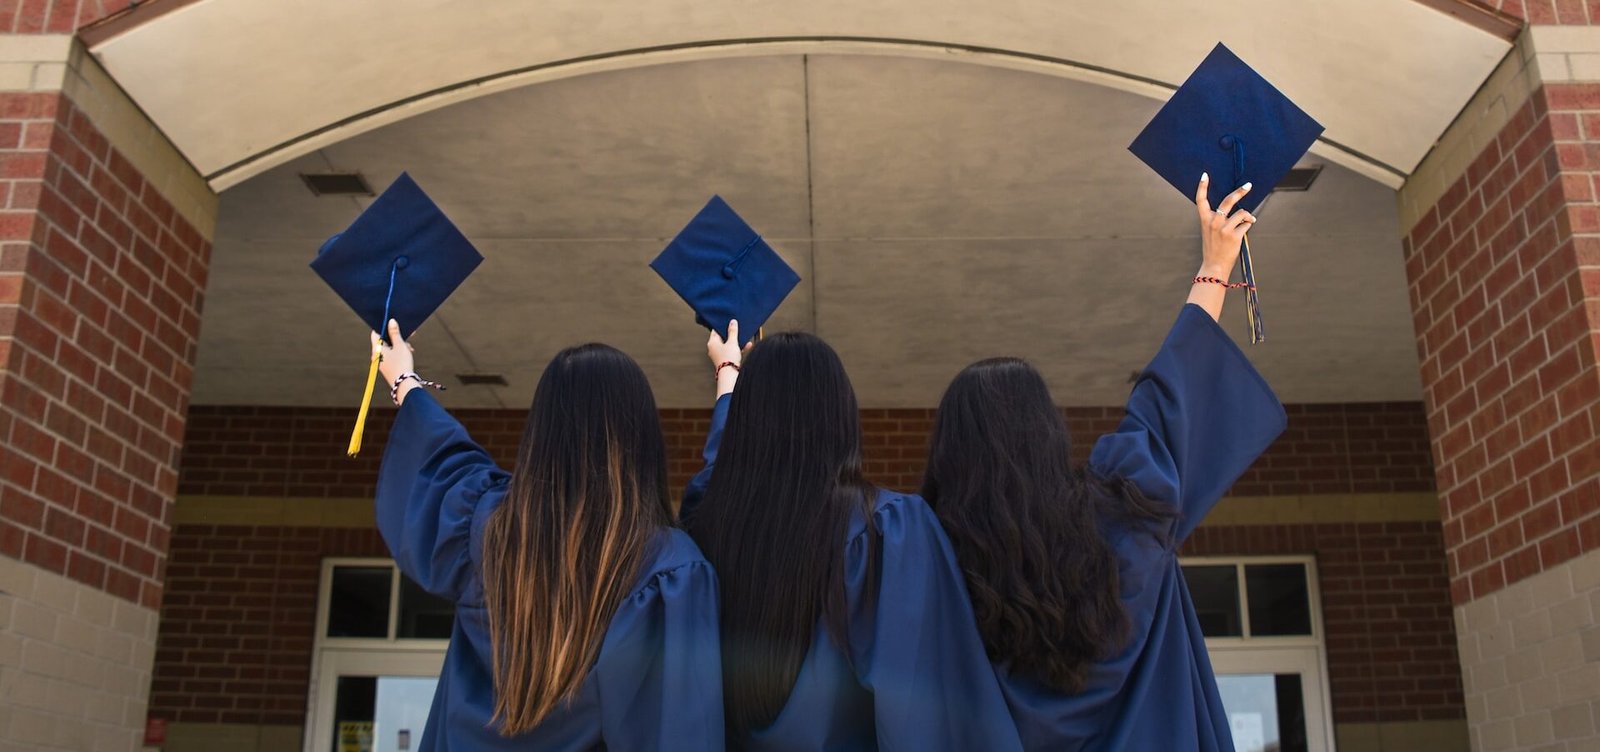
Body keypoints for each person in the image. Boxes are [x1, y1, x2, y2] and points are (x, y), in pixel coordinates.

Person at [921, 176, 1288, 751]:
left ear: (949, 456)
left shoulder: (927, 564)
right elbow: (1172, 396)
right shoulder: (1125, 514)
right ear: (1048, 433)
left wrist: (735, 380)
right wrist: (1216, 261)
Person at [371, 320, 725, 751]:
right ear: (642, 439)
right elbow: (679, 730)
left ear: (541, 432)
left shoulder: (486, 531)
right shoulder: (666, 568)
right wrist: (728, 379)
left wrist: (404, 379)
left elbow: (440, 460)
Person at [681, 321, 1023, 751]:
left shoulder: (706, 527)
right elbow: (921, 711)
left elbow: (716, 472)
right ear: (840, 416)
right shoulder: (887, 531)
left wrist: (729, 375)